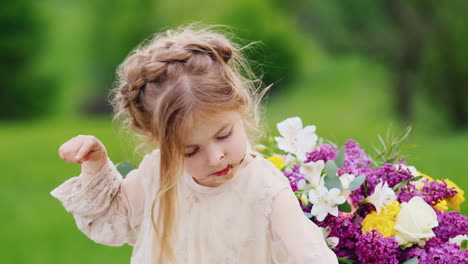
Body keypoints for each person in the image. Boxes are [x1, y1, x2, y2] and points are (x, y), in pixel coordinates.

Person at [50, 24, 338, 264]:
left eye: (224, 134)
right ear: (157, 141)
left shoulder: (264, 187)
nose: (215, 158)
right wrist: (95, 165)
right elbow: (112, 222)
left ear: (241, 110)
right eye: (190, 150)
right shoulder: (157, 174)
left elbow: (308, 255)